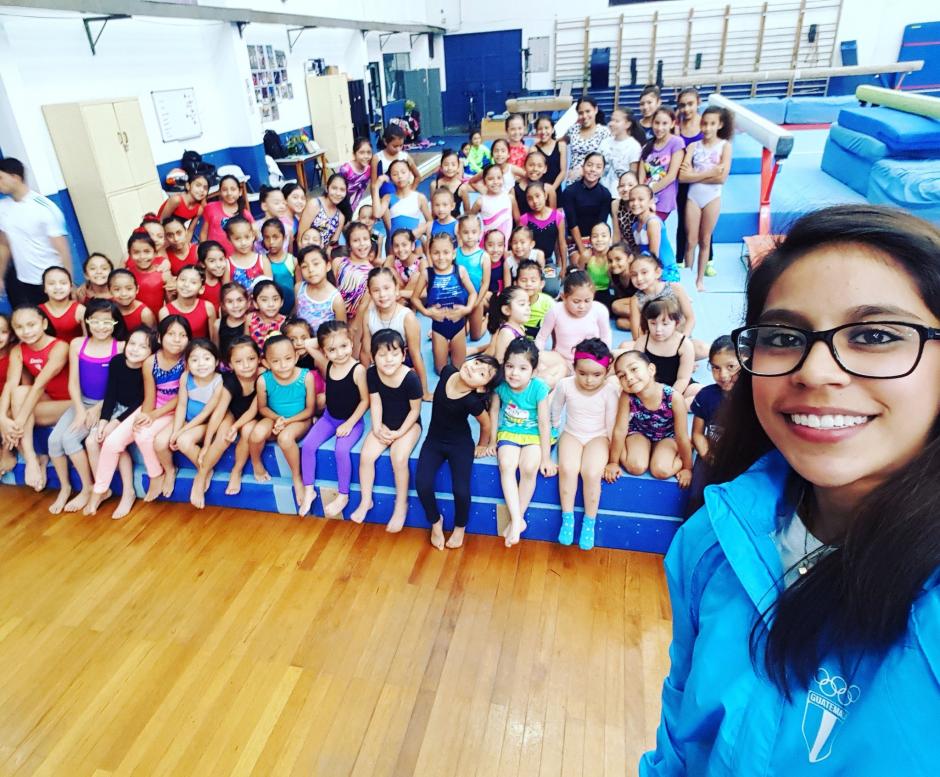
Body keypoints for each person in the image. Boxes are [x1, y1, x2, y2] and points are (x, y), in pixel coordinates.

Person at [642, 205, 940, 774]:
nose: (815, 371)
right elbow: (680, 737)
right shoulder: (712, 538)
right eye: (783, 336)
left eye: (874, 335)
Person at [87, 315, 190, 510]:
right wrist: (144, 414)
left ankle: (156, 474)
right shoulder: (151, 361)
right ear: (160, 338)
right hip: (153, 407)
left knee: (142, 435)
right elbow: (149, 393)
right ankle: (99, 490)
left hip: (174, 410)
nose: (177, 339)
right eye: (171, 334)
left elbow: (181, 397)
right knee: (111, 442)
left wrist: (153, 416)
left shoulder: (186, 361)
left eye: (182, 335)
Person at [47, 299, 124, 514]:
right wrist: (80, 410)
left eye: (107, 322)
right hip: (82, 403)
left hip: (108, 405)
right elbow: (73, 383)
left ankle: (89, 489)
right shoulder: (77, 344)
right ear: (87, 321)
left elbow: (118, 388)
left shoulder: (120, 347)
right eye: (95, 321)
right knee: (54, 440)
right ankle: (65, 487)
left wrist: (97, 409)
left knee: (69, 438)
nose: (101, 327)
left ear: (115, 323)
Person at [415, 355, 499, 550]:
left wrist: (481, 445)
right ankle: (436, 522)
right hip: (434, 440)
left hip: (459, 444)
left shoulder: (471, 401)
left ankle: (460, 527)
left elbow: (485, 424)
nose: (473, 368)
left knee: (461, 490)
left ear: (481, 387)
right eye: (476, 362)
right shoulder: (448, 371)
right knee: (422, 483)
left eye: (481, 373)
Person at [348, 328, 424, 530]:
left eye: (394, 353)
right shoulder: (371, 373)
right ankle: (366, 500)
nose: (388, 360)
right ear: (373, 357)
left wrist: (399, 433)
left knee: (398, 458)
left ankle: (401, 505)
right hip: (384, 423)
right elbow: (376, 402)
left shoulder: (411, 378)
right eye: (382, 355)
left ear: (404, 355)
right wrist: (377, 426)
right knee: (366, 456)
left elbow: (415, 411)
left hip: (409, 426)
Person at [485, 337, 557, 547]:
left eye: (522, 368)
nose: (514, 373)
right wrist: (491, 442)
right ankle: (517, 520)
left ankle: (517, 518)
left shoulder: (539, 388)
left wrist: (546, 457)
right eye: (509, 366)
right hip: (509, 431)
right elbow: (494, 412)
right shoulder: (501, 387)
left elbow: (544, 424)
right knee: (506, 465)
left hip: (534, 433)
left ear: (533, 372)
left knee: (528, 467)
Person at [551, 338, 620, 551]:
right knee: (569, 469)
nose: (589, 380)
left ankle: (589, 521)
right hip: (572, 433)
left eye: (596, 375)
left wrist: (613, 456)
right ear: (574, 367)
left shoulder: (609, 391)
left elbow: (612, 423)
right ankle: (568, 518)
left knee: (591, 473)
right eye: (582, 373)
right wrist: (553, 437)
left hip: (598, 437)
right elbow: (555, 410)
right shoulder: (565, 385)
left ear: (607, 371)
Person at [298, 321, 369, 518]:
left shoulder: (358, 370)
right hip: (330, 418)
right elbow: (308, 345)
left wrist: (349, 423)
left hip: (352, 421)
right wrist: (327, 338)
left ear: (352, 344)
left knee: (341, 450)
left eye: (344, 346)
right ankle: (309, 490)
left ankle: (343, 494)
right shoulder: (327, 364)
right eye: (332, 349)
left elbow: (365, 402)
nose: (339, 353)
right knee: (308, 446)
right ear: (324, 351)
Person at [83, 325, 154, 519]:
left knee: (113, 441)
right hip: (115, 408)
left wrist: (116, 422)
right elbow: (111, 393)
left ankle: (128, 491)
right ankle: (102, 489)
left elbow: (140, 401)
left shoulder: (147, 369)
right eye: (132, 343)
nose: (135, 349)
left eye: (143, 347)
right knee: (92, 441)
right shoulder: (116, 362)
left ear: (151, 352)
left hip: (134, 411)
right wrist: (105, 419)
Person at [0, 305, 70, 490]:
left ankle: (34, 460)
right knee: (18, 392)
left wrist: (17, 421)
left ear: (44, 323)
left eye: (31, 325)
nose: (26, 331)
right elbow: (10, 384)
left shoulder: (60, 346)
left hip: (69, 405)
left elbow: (39, 385)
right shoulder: (18, 350)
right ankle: (32, 460)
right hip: (46, 402)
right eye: (20, 327)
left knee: (18, 411)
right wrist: (2, 418)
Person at [606, 350, 693, 488]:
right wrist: (613, 462)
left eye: (634, 369)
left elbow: (681, 435)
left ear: (651, 369)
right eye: (622, 376)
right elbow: (620, 430)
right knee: (636, 467)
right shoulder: (627, 396)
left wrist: (687, 468)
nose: (629, 377)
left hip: (667, 436)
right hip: (640, 432)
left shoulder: (673, 397)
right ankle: (644, 450)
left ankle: (687, 448)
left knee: (661, 470)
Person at [191, 336, 261, 506]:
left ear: (259, 359)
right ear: (229, 364)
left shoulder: (263, 377)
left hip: (255, 416)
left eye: (251, 359)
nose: (246, 365)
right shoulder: (230, 381)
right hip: (234, 414)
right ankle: (201, 477)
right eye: (239, 361)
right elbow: (218, 412)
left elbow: (253, 410)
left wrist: (237, 427)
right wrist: (207, 444)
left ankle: (236, 471)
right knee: (223, 436)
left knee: (247, 430)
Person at [248, 333, 315, 501]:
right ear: (265, 363)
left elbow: (310, 410)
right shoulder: (264, 380)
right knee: (256, 434)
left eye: (287, 358)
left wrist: (287, 421)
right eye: (275, 361)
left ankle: (297, 477)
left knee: (285, 438)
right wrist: (278, 419)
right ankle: (256, 463)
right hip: (275, 418)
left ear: (296, 356)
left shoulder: (306, 376)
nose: (283, 365)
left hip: (300, 419)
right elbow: (262, 407)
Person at [0, 157, 73, 307]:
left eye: (1, 178)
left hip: (48, 281)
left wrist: (68, 284)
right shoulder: (3, 208)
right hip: (21, 281)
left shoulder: (44, 207)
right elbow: (5, 244)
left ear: (15, 177)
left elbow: (63, 251)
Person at [158, 338, 223, 499]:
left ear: (216, 362)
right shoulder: (186, 377)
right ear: (187, 363)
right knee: (159, 443)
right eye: (194, 360)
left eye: (207, 358)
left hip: (204, 423)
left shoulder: (218, 381)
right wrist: (176, 429)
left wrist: (181, 432)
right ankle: (170, 471)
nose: (201, 364)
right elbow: (181, 405)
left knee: (183, 441)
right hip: (187, 419)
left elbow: (206, 413)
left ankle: (204, 469)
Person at [679, 106, 734, 290]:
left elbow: (722, 178)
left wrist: (695, 174)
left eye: (712, 124)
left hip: (712, 197)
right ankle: (687, 276)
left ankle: (699, 279)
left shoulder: (725, 146)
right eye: (704, 123)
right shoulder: (694, 146)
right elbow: (682, 177)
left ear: (720, 125)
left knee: (705, 239)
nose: (707, 128)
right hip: (693, 197)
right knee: (691, 240)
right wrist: (710, 172)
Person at [685, 334, 740, 517]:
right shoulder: (706, 396)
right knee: (696, 498)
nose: (723, 375)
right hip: (709, 455)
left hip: (740, 460)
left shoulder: (755, 398)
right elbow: (698, 434)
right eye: (716, 368)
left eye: (731, 367)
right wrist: (708, 455)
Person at [356, 267, 430, 398]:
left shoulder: (407, 317)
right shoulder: (368, 315)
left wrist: (425, 391)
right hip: (380, 360)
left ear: (396, 289)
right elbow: (365, 351)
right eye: (376, 290)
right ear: (370, 293)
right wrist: (365, 387)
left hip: (402, 359)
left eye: (386, 288)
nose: (382, 295)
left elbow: (415, 354)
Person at [413, 232, 478, 373]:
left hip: (458, 326)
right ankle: (445, 349)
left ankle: (464, 347)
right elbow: (414, 298)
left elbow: (473, 293)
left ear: (453, 254)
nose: (441, 257)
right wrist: (426, 312)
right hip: (438, 327)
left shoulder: (460, 271)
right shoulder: (426, 274)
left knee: (458, 369)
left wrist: (467, 309)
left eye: (446, 252)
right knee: (440, 371)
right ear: (429, 253)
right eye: (436, 253)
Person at [535, 270, 612, 368]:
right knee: (535, 357)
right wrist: (536, 362)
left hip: (590, 361)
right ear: (564, 297)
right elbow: (541, 338)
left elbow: (606, 337)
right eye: (576, 301)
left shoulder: (600, 310)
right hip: (562, 360)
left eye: (587, 301)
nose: (582, 306)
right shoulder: (556, 310)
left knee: (622, 356)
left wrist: (604, 361)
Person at [632, 296, 699, 399]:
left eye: (665, 324)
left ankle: (679, 407)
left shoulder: (684, 345)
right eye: (653, 323)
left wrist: (667, 399)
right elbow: (636, 372)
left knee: (699, 391)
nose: (658, 329)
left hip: (678, 388)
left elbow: (683, 379)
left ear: (676, 323)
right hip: (649, 387)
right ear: (647, 322)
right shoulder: (642, 342)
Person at [561, 152, 612, 269]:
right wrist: (583, 250)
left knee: (603, 263)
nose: (593, 169)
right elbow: (572, 223)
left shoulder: (605, 194)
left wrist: (595, 247)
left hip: (597, 238)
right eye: (589, 165)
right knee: (580, 260)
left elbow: (601, 224)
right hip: (576, 240)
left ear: (602, 172)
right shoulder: (569, 192)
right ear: (583, 167)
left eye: (598, 167)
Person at [372, 159, 432, 252]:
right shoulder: (388, 198)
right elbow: (377, 214)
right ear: (391, 179)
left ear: (410, 174)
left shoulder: (419, 197)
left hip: (414, 245)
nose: (400, 176)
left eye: (403, 172)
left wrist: (418, 231)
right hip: (396, 246)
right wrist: (376, 187)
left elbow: (430, 221)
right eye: (395, 174)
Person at [639, 107, 685, 222]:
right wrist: (642, 196)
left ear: (672, 124)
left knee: (652, 229)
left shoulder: (676, 142)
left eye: (665, 123)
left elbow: (671, 176)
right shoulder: (647, 146)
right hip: (644, 199)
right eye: (657, 123)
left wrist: (648, 193)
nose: (660, 128)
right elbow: (641, 176)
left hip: (663, 198)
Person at [520, 183, 566, 295]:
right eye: (530, 198)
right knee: (529, 289)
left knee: (552, 290)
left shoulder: (557, 216)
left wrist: (563, 267)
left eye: (537, 196)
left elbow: (561, 243)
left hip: (548, 262)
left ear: (545, 195)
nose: (535, 201)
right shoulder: (524, 219)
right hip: (530, 262)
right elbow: (521, 244)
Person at [629, 184, 680, 283]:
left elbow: (654, 255)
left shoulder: (653, 222)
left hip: (664, 272)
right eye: (632, 200)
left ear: (651, 201)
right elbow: (638, 252)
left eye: (640, 199)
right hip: (647, 269)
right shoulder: (635, 226)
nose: (635, 203)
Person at [295, 245, 345, 334]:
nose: (310, 269)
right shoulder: (299, 288)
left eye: (316, 264)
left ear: (328, 266)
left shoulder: (335, 299)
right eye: (304, 266)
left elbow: (341, 332)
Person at [199, 174, 252, 256]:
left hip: (235, 259)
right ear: (219, 192)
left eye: (233, 189)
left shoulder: (245, 214)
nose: (229, 193)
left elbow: (252, 236)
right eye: (224, 190)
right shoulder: (211, 208)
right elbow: (203, 234)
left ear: (240, 192)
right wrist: (205, 252)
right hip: (215, 257)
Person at [160, 265, 216, 340]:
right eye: (183, 280)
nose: (186, 285)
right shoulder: (165, 312)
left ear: (201, 289)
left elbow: (213, 340)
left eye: (193, 282)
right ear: (176, 282)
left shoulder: (208, 307)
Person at [479, 285, 530, 362]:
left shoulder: (520, 327)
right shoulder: (507, 333)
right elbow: (500, 361)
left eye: (528, 304)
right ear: (506, 310)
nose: (528, 308)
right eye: (522, 304)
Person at [566, 96, 610, 183]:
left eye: (588, 111)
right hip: (573, 181)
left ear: (595, 110)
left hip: (594, 181)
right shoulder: (572, 129)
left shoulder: (604, 132)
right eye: (580, 113)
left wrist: (583, 171)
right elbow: (560, 142)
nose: (584, 116)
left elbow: (607, 160)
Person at [600, 107, 645, 192]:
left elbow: (633, 174)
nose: (611, 123)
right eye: (611, 120)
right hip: (602, 192)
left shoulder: (634, 146)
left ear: (627, 124)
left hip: (620, 194)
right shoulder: (604, 143)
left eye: (617, 121)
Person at [372, 124, 421, 199]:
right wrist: (375, 201)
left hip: (404, 194)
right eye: (395, 146)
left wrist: (411, 192)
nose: (398, 149)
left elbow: (417, 176)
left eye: (401, 146)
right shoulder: (377, 158)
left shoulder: (405, 157)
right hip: (387, 196)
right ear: (385, 142)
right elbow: (373, 184)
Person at [297, 174, 348, 248]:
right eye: (334, 188)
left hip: (321, 256)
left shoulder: (340, 217)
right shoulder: (315, 204)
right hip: (305, 253)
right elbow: (300, 238)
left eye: (342, 190)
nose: (338, 193)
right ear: (327, 188)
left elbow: (331, 247)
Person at [158, 173, 208, 241]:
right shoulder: (176, 200)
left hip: (175, 234)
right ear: (188, 186)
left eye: (205, 188)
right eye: (198, 185)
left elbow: (190, 231)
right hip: (160, 232)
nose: (202, 190)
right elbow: (160, 223)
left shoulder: (199, 209)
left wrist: (186, 247)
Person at [39, 266, 84, 341]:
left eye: (63, 283)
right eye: (51, 283)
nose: (58, 287)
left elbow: (88, 340)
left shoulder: (80, 310)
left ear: (71, 287)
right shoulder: (38, 312)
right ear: (44, 288)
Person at [245, 279, 286, 349]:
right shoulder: (250, 318)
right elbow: (245, 344)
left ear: (281, 302)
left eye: (275, 299)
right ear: (255, 303)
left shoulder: (285, 322)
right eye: (264, 300)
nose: (271, 304)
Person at [430, 149, 470, 216]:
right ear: (441, 167)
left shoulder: (462, 188)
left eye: (453, 165)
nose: (449, 168)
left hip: (455, 223)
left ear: (458, 167)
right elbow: (433, 209)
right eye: (446, 164)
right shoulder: (434, 185)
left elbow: (467, 212)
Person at [339, 137, 374, 213]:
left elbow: (361, 189)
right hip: (338, 199)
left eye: (369, 152)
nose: (366, 156)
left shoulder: (369, 170)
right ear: (354, 154)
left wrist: (353, 206)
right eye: (361, 152)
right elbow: (338, 187)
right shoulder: (346, 169)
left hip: (351, 200)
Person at [534, 116, 568, 190]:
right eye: (540, 129)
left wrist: (552, 189)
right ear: (536, 131)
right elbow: (534, 173)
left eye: (546, 128)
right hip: (540, 190)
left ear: (552, 130)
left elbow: (563, 172)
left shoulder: (561, 145)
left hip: (556, 188)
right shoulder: (534, 149)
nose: (543, 132)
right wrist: (543, 190)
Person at [611, 170, 640, 251]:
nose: (625, 189)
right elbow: (616, 235)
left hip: (644, 250)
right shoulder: (615, 205)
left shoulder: (641, 206)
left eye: (630, 185)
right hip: (628, 250)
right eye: (622, 185)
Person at [197, 240, 227, 311]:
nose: (219, 265)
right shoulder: (198, 283)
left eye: (221, 259)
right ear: (202, 264)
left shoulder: (224, 278)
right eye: (212, 261)